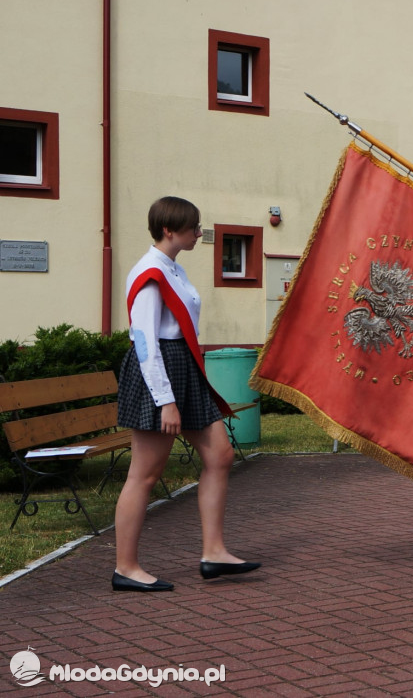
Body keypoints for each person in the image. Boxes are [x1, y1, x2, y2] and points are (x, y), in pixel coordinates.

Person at [112, 196, 260, 592]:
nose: (199, 233)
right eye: (193, 228)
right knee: (145, 474)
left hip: (183, 366)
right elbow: (145, 342)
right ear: (168, 230)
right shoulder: (149, 272)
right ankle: (125, 567)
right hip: (159, 372)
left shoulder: (172, 269)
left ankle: (214, 552)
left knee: (220, 455)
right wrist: (166, 400)